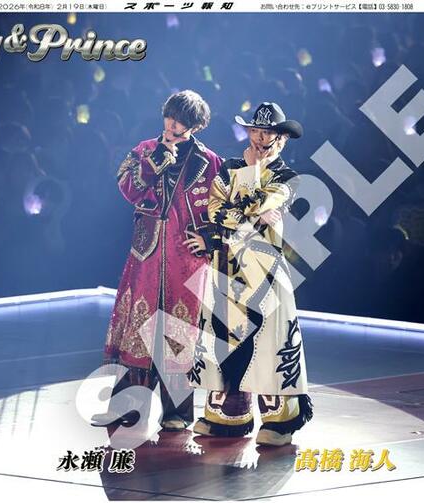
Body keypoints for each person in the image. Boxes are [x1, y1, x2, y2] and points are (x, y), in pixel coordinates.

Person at [94, 90, 222, 431]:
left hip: (187, 259)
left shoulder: (210, 161)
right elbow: (127, 188)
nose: (172, 125)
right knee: (139, 329)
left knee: (179, 332)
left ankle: (177, 412)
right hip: (146, 254)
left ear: (195, 126)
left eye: (180, 121)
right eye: (169, 117)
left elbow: (223, 207)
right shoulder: (144, 150)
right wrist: (155, 162)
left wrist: (209, 238)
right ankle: (126, 407)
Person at [187, 102, 313, 446]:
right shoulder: (228, 168)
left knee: (267, 342)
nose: (259, 138)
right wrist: (247, 213)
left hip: (264, 269)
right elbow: (215, 210)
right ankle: (229, 414)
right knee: (224, 340)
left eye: (267, 132)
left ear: (281, 139)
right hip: (226, 265)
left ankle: (280, 420)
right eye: (255, 130)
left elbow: (256, 206)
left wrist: (251, 180)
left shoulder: (287, 178)